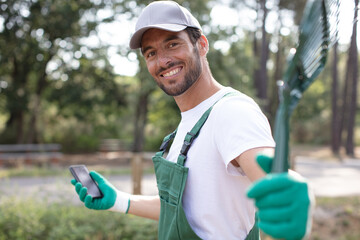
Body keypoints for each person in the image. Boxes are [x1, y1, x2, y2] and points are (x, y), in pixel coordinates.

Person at [71, 1, 313, 239]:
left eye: (172, 44)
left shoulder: (232, 111)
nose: (162, 61)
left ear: (202, 45)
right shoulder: (188, 125)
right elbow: (189, 212)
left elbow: (271, 175)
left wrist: (292, 192)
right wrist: (118, 200)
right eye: (151, 53)